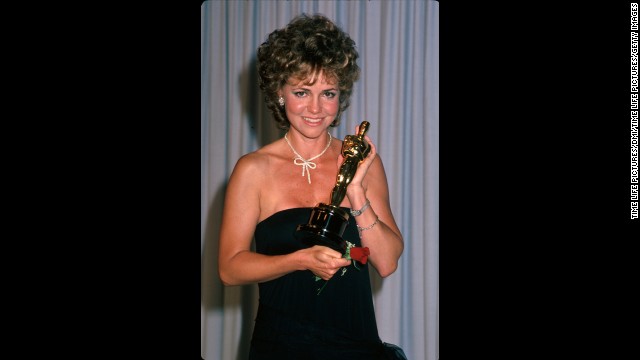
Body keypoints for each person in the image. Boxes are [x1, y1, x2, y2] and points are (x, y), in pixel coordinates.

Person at [218, 13, 404, 360]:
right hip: (282, 347)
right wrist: (299, 260)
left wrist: (357, 193)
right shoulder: (254, 169)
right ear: (280, 92)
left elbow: (387, 262)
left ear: (340, 95)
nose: (316, 108)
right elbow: (229, 268)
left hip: (357, 347)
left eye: (328, 93)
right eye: (302, 92)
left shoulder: (363, 162)